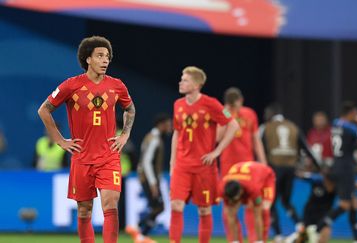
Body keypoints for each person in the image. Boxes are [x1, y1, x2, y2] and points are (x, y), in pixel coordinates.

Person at [38, 36, 135, 243]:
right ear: (88, 59)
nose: (105, 60)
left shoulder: (117, 86)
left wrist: (125, 134)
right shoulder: (71, 85)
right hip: (82, 158)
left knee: (110, 204)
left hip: (109, 157)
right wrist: (60, 140)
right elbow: (44, 110)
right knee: (84, 211)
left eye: (107, 56)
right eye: (100, 56)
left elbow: (130, 108)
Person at [169, 66, 239, 243]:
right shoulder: (178, 105)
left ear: (197, 84)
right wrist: (172, 162)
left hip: (204, 167)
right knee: (176, 205)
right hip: (182, 165)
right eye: (181, 79)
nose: (180, 82)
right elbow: (177, 133)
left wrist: (217, 151)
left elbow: (233, 125)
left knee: (204, 209)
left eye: (185, 80)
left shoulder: (212, 104)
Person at [312, 101, 357, 243]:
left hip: (336, 165)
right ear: (351, 114)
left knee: (354, 203)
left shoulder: (336, 123)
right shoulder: (351, 128)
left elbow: (347, 120)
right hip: (346, 168)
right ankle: (316, 229)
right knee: (345, 205)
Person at [261, 103, 320, 241]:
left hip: (274, 169)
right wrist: (319, 166)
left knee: (271, 202)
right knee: (286, 201)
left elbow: (261, 149)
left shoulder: (266, 128)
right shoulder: (293, 127)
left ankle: (278, 235)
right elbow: (306, 147)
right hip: (290, 169)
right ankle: (301, 227)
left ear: (270, 114)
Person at [218, 87, 267, 241]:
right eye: (232, 106)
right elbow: (218, 138)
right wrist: (225, 112)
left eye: (236, 104)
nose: (236, 108)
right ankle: (235, 239)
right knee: (229, 207)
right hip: (228, 167)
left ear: (241, 101)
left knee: (253, 205)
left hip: (248, 166)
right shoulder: (224, 113)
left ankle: (254, 239)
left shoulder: (250, 114)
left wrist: (263, 162)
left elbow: (256, 140)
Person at [126, 113, 172, 243]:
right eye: (168, 124)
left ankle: (139, 231)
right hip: (148, 178)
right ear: (161, 124)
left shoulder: (149, 137)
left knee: (157, 207)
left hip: (145, 176)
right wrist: (153, 183)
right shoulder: (155, 140)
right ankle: (139, 231)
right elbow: (146, 161)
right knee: (159, 207)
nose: (170, 127)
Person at [220, 161, 275, 243]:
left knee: (264, 210)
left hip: (266, 177)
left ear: (241, 192)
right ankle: (235, 240)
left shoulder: (253, 188)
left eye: (236, 199)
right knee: (229, 212)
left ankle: (261, 240)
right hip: (247, 175)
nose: (234, 202)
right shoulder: (222, 188)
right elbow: (230, 215)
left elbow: (257, 216)